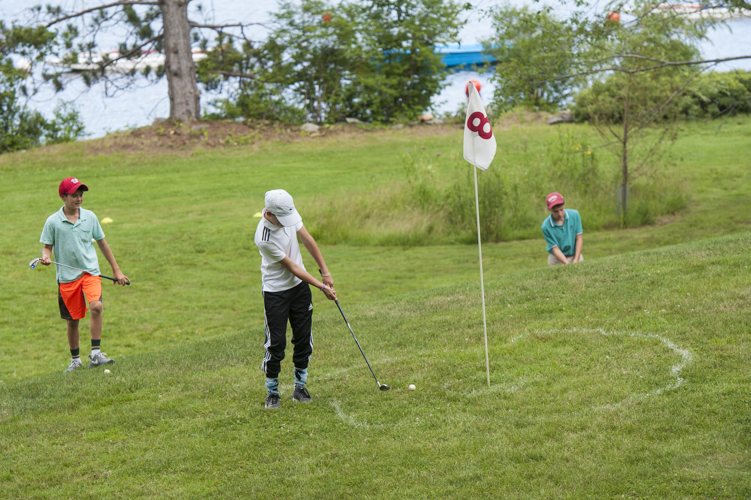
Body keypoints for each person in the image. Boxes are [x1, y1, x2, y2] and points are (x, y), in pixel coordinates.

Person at [254, 189, 337, 409]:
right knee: (276, 343)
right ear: (269, 213)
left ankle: (300, 387)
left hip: (300, 289)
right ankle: (272, 391)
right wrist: (321, 287)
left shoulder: (287, 211)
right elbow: (293, 267)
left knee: (303, 338)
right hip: (276, 292)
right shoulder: (264, 237)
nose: (287, 223)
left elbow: (308, 239)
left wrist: (325, 272)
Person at [39, 177, 130, 373]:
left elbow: (102, 243)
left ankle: (96, 355)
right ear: (63, 197)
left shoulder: (90, 217)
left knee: (96, 306)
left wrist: (117, 269)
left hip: (90, 272)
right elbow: (47, 248)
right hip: (66, 278)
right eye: (74, 195)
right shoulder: (53, 221)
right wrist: (45, 257)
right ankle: (75, 361)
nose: (79, 198)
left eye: (80, 195)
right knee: (73, 320)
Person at [541, 192, 584, 266]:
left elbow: (579, 238)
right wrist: (567, 264)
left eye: (561, 209)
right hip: (556, 259)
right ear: (549, 209)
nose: (560, 214)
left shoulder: (575, 215)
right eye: (556, 211)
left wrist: (576, 259)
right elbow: (555, 249)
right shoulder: (545, 226)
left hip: (575, 255)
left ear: (564, 204)